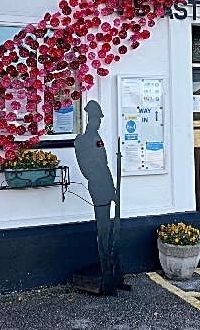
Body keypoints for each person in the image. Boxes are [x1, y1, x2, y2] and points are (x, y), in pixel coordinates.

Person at [74, 100, 117, 294]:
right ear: (90, 118)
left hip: (105, 185)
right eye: (96, 118)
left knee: (108, 227)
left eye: (99, 118)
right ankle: (106, 271)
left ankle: (110, 268)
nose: (98, 122)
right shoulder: (83, 140)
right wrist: (107, 187)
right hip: (98, 186)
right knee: (103, 229)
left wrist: (113, 188)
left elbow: (105, 166)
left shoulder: (95, 137)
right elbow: (90, 169)